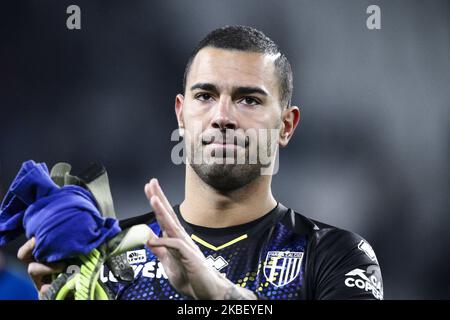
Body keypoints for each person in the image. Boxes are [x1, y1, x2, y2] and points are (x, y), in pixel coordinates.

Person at [17, 25, 383, 300]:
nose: (222, 116)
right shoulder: (114, 256)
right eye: (205, 95)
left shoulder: (334, 255)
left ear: (285, 125)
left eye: (249, 100)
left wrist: (224, 299)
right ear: (181, 114)